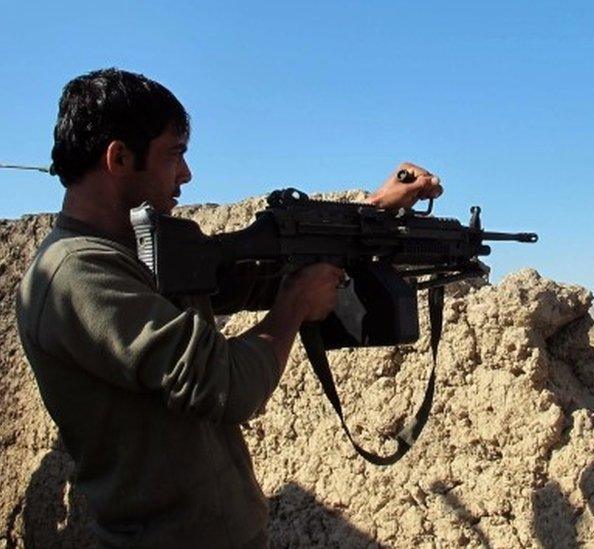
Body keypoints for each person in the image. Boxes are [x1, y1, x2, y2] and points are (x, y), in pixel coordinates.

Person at [15, 68, 442, 548]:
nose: (186, 175)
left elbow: (248, 273)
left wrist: (370, 212)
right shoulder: (78, 273)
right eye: (174, 154)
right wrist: (293, 309)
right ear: (118, 157)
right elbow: (224, 386)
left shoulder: (132, 256)